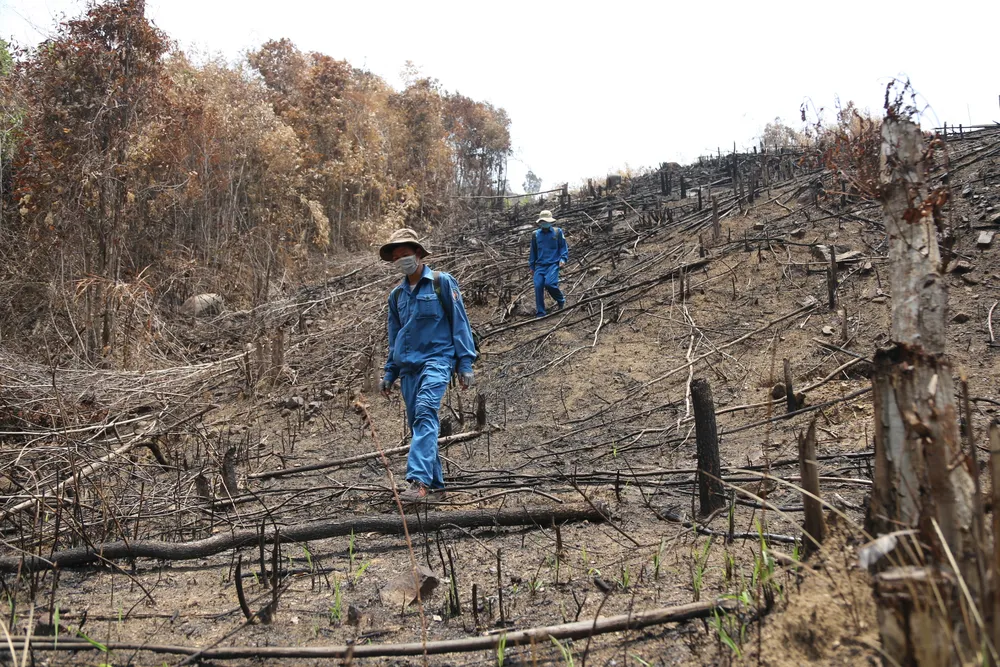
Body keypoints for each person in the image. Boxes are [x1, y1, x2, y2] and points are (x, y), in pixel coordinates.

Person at [378, 228, 477, 504]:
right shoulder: (396, 296)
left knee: (424, 412)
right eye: (395, 257)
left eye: (405, 255)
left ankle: (418, 481)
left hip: (437, 361)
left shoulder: (441, 282)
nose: (401, 261)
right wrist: (389, 373)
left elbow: (460, 323)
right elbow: (394, 336)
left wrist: (465, 363)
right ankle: (436, 487)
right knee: (421, 424)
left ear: (418, 253)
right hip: (409, 368)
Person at [528, 210, 569, 317]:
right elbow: (533, 251)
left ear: (550, 222)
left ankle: (560, 300)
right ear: (540, 222)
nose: (544, 223)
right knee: (538, 286)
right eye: (542, 221)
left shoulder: (557, 232)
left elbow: (563, 247)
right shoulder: (535, 235)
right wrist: (532, 266)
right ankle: (541, 312)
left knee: (550, 284)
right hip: (540, 265)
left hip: (553, 264)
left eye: (546, 221)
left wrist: (563, 259)